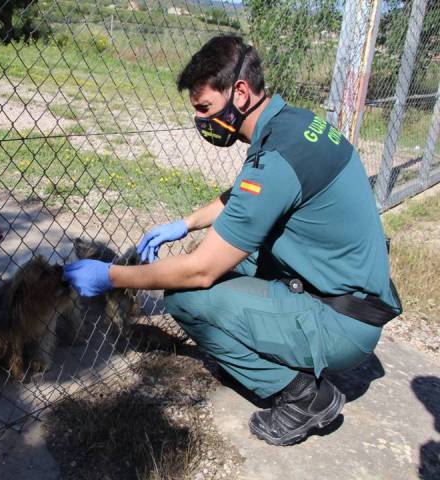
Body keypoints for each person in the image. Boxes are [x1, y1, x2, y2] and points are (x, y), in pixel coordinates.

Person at [63, 35, 402, 446]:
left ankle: (302, 396)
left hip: (342, 323)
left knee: (187, 295)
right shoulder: (291, 125)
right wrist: (183, 224)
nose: (202, 121)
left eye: (204, 108)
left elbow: (201, 271)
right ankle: (262, 349)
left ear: (239, 92)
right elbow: (242, 195)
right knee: (221, 260)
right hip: (347, 291)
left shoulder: (276, 159)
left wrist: (112, 276)